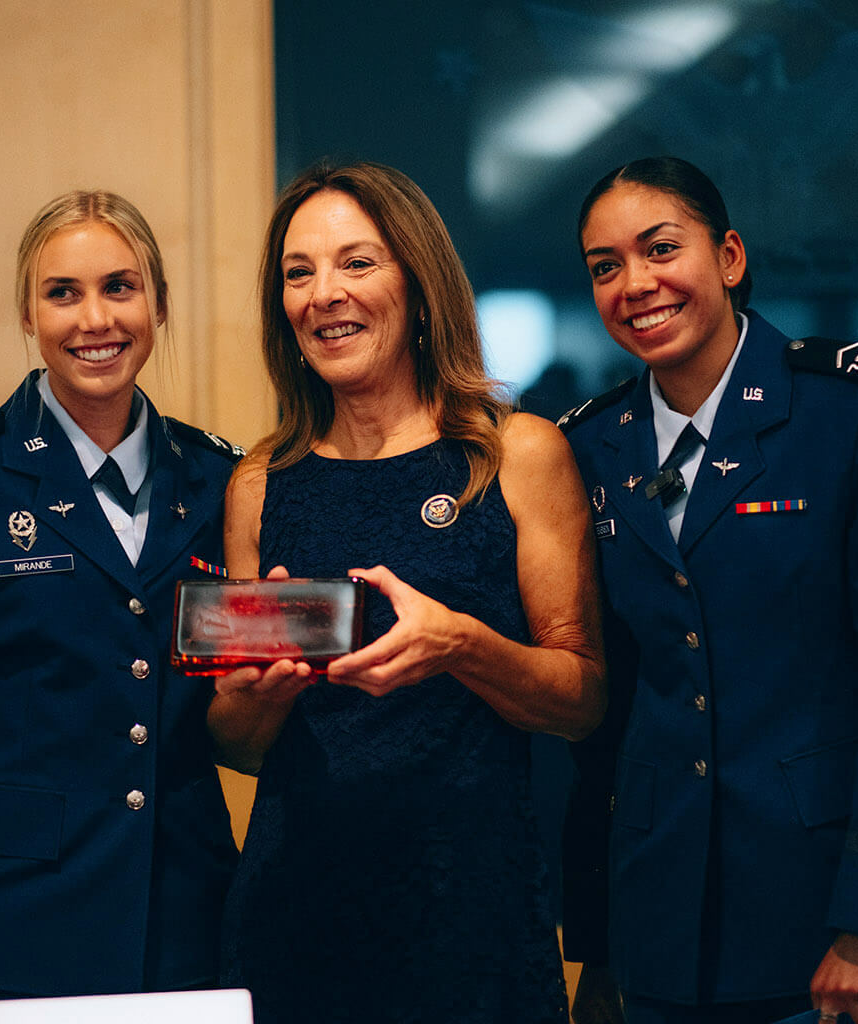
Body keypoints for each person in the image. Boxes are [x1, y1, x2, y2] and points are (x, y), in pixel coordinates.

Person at [558, 157, 858, 1024]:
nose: (636, 284)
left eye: (660, 248)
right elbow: (607, 717)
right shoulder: (591, 448)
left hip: (831, 910)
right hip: (664, 922)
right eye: (605, 266)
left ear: (731, 257)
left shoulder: (850, 404)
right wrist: (598, 939)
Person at [208, 160, 606, 1024]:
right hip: (294, 922)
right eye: (299, 272)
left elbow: (582, 700)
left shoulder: (514, 454)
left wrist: (462, 645)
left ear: (419, 284)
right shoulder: (260, 482)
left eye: (357, 263)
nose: (324, 295)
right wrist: (257, 696)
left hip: (472, 919)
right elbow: (238, 743)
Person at [0, 190, 243, 1023]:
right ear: (28, 314)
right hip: (11, 923)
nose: (93, 318)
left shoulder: (219, 482)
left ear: (159, 305)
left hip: (185, 925)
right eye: (62, 292)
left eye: (120, 287)